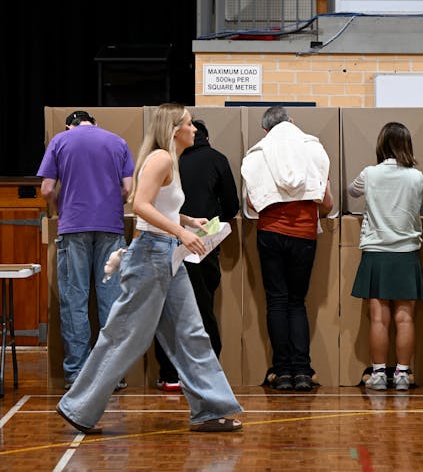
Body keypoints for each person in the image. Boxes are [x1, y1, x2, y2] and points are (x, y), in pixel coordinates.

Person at [56, 103, 243, 434]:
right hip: (152, 255)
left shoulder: (170, 160)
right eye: (189, 124)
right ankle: (78, 407)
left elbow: (157, 206)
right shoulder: (161, 159)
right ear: (174, 129)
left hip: (166, 254)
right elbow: (139, 205)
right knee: (124, 336)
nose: (195, 129)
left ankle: (212, 410)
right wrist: (181, 231)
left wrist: (186, 220)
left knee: (191, 334)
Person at [37, 110, 134, 391]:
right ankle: (111, 374)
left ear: (70, 126)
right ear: (95, 123)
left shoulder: (60, 140)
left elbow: (45, 189)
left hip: (73, 226)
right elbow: (128, 189)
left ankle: (78, 373)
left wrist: (60, 207)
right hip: (111, 228)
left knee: (75, 300)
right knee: (112, 301)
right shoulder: (117, 142)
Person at [241, 105, 333, 392]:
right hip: (304, 232)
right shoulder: (313, 148)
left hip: (270, 232)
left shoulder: (258, 152)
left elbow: (253, 204)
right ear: (292, 122)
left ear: (266, 129)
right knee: (297, 302)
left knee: (276, 302)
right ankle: (303, 372)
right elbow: (327, 203)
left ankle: (281, 372)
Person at [154, 119, 240, 391]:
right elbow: (231, 205)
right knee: (203, 309)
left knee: (168, 311)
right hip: (203, 244)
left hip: (166, 241)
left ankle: (170, 375)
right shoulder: (216, 159)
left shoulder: (166, 161)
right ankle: (207, 373)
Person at [348, 122, 423, 391]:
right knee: (405, 318)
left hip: (376, 252)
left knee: (378, 318)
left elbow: (351, 191)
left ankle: (380, 374)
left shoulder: (370, 174)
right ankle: (404, 375)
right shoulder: (416, 177)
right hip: (406, 253)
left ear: (381, 145)